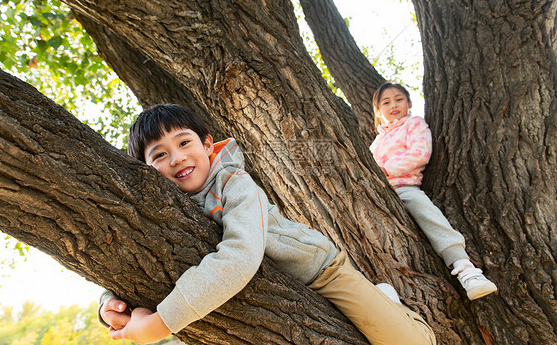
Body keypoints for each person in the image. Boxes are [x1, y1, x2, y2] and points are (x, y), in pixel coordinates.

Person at [98, 104, 436, 345]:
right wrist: (109, 304)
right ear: (146, 170)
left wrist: (159, 324)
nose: (177, 158)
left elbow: (242, 253)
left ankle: (390, 303)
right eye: (158, 154)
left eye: (184, 142)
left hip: (320, 272)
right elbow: (133, 248)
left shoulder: (234, 181)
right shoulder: (163, 205)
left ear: (207, 145)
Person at [370, 82, 498, 301]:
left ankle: (466, 269)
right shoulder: (377, 141)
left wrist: (385, 170)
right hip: (378, 193)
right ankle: (386, 289)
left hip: (403, 186)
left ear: (409, 103)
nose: (393, 105)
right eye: (386, 102)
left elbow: (419, 153)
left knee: (427, 213)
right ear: (378, 110)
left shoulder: (413, 124)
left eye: (399, 99)